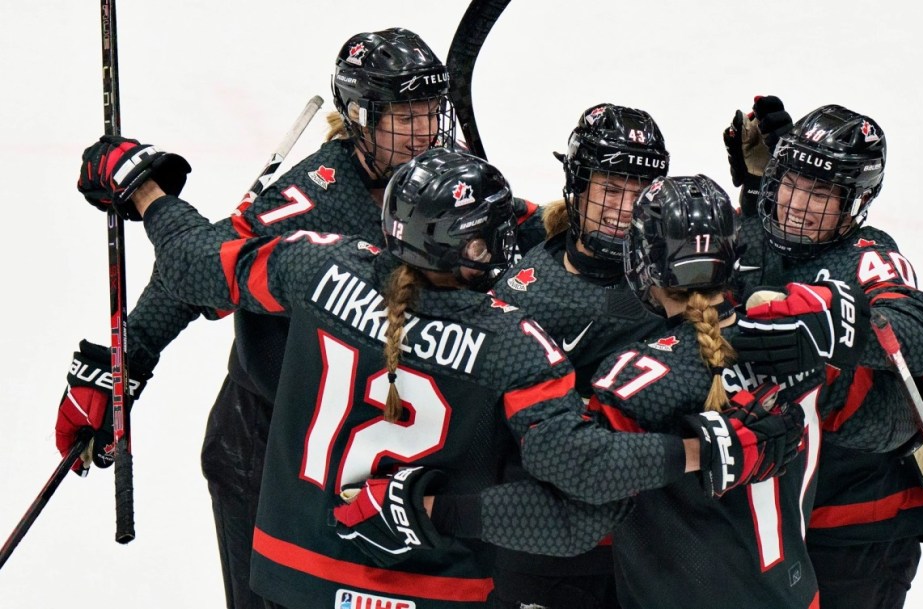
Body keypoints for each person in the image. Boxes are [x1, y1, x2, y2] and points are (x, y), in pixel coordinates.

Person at [70, 143, 804, 609]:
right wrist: (701, 450)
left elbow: (198, 262)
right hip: (433, 586)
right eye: (495, 233)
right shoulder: (515, 344)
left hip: (295, 571)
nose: (510, 242)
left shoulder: (315, 262)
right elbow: (579, 484)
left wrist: (145, 193)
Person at [54, 27, 456, 609]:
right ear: (360, 117)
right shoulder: (315, 199)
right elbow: (199, 273)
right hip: (264, 451)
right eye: (403, 115)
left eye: (429, 113)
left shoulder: (450, 183)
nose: (422, 132)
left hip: (372, 459)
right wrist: (127, 360)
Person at [725, 100, 923, 609]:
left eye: (820, 192)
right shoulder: (748, 233)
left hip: (863, 519)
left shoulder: (867, 253)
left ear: (856, 201)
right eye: (791, 183)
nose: (797, 203)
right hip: (776, 512)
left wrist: (833, 319)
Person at [594, 173, 850, 609]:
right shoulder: (802, 343)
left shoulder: (639, 380)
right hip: (795, 594)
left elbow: (578, 480)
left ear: (644, 259)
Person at [487, 103, 670, 609]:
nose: (623, 209)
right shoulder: (524, 292)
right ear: (577, 186)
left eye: (638, 193)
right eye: (611, 189)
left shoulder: (673, 277)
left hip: (649, 548)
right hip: (546, 551)